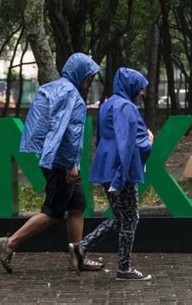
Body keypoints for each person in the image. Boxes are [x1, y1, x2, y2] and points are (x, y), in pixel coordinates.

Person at [0, 53, 103, 274]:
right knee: (53, 212)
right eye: (88, 74)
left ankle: (78, 257)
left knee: (77, 206)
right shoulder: (69, 94)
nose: (89, 79)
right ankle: (11, 243)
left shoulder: (54, 88)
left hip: (56, 160)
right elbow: (63, 131)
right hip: (63, 163)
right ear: (79, 72)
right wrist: (69, 165)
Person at [68, 67, 154, 281]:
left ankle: (81, 247)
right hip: (120, 169)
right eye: (141, 88)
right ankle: (124, 268)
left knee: (120, 217)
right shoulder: (126, 107)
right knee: (131, 217)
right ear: (132, 87)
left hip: (106, 166)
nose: (142, 93)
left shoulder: (108, 104)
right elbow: (128, 142)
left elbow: (105, 137)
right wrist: (149, 141)